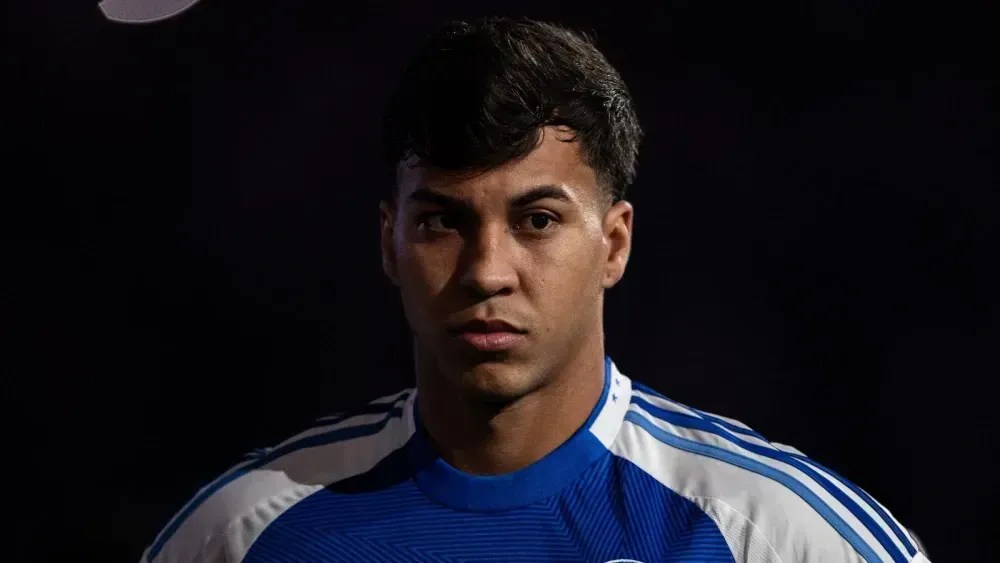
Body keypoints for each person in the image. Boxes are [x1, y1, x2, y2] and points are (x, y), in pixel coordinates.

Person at [140, 16, 931, 563]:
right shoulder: (240, 534)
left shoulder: (775, 534)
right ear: (389, 242)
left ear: (613, 242)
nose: (488, 270)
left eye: (538, 220)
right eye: (443, 222)